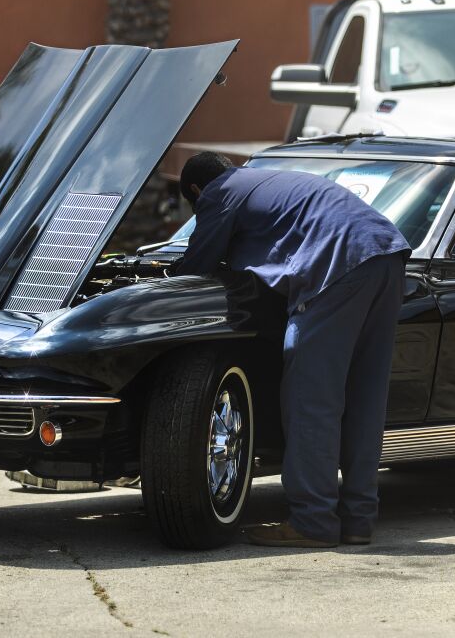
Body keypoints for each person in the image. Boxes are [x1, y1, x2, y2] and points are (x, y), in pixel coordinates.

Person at [175, 151, 410, 548]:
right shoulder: (267, 181)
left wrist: (164, 272)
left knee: (311, 397)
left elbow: (197, 263)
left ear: (197, 190)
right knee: (364, 398)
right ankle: (357, 520)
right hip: (387, 256)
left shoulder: (220, 192)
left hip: (337, 264)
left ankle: (313, 521)